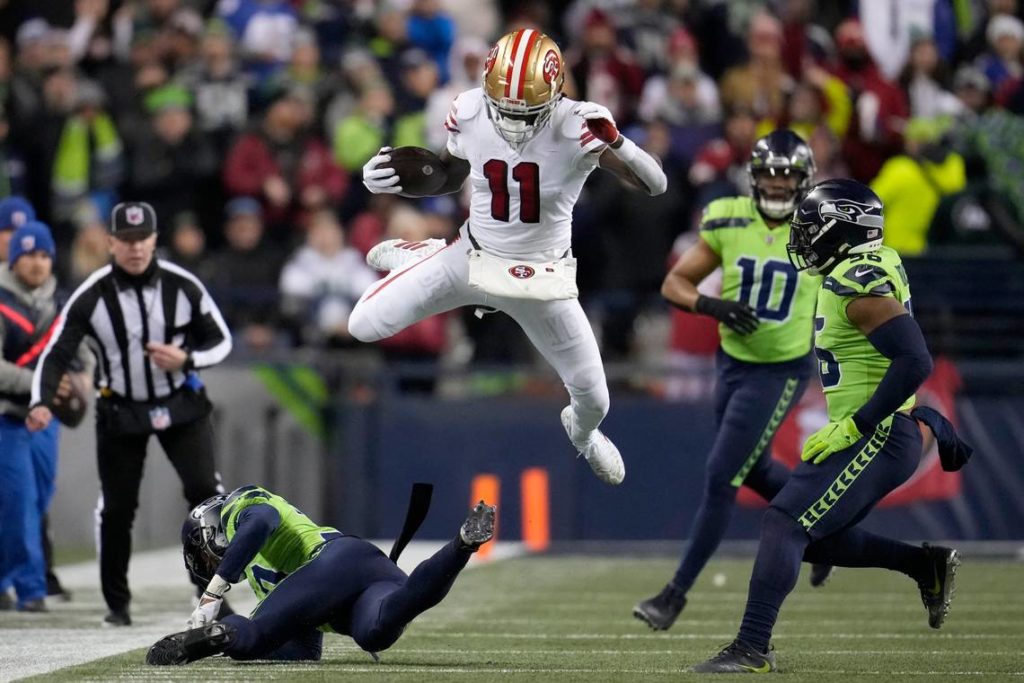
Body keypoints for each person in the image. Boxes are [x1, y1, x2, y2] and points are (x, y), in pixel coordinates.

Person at [353, 28, 668, 485]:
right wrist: (389, 177)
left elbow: (655, 184)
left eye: (527, 112)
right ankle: (425, 253)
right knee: (363, 325)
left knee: (595, 400)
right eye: (503, 108)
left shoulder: (577, 124)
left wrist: (618, 142)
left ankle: (583, 436)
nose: (513, 123)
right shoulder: (470, 109)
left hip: (541, 278)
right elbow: (448, 175)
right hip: (472, 256)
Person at [689, 179, 963, 673]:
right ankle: (925, 566)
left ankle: (752, 647)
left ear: (843, 231)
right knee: (808, 535)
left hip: (879, 432)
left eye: (811, 229)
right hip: (877, 430)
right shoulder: (866, 264)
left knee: (784, 521)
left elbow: (916, 360)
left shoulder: (855, 283)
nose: (802, 238)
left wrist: (857, 424)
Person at [634, 130, 833, 631]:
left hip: (780, 370)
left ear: (805, 180)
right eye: (770, 174)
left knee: (722, 477)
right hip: (732, 363)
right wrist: (711, 304)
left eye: (787, 175)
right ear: (753, 177)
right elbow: (674, 283)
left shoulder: (820, 229)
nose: (778, 183)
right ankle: (829, 530)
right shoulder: (729, 218)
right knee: (758, 471)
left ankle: (674, 596)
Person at [27, 201, 233, 627]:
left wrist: (186, 358)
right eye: (127, 239)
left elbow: (221, 341)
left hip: (180, 403)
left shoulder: (182, 285)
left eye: (143, 238)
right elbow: (56, 353)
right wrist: (41, 401)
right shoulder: (92, 295)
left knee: (206, 495)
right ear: (111, 242)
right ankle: (117, 604)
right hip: (121, 408)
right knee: (117, 508)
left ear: (155, 240)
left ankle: (211, 595)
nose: (136, 247)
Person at [145, 485, 495, 665]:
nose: (207, 562)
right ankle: (462, 544)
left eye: (203, 550)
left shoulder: (240, 508)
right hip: (365, 572)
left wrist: (213, 595)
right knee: (376, 630)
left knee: (255, 636)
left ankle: (207, 641)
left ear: (212, 528)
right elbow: (303, 649)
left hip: (333, 561)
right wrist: (234, 642)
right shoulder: (258, 573)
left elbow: (261, 523)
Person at [0, 222, 90, 612]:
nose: (36, 263)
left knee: (36, 500)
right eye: (27, 255)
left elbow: (84, 357)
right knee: (18, 501)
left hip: (45, 419)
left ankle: (4, 579)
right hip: (8, 414)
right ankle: (30, 587)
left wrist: (80, 383)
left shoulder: (61, 305)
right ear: (13, 260)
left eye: (43, 255)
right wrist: (44, 383)